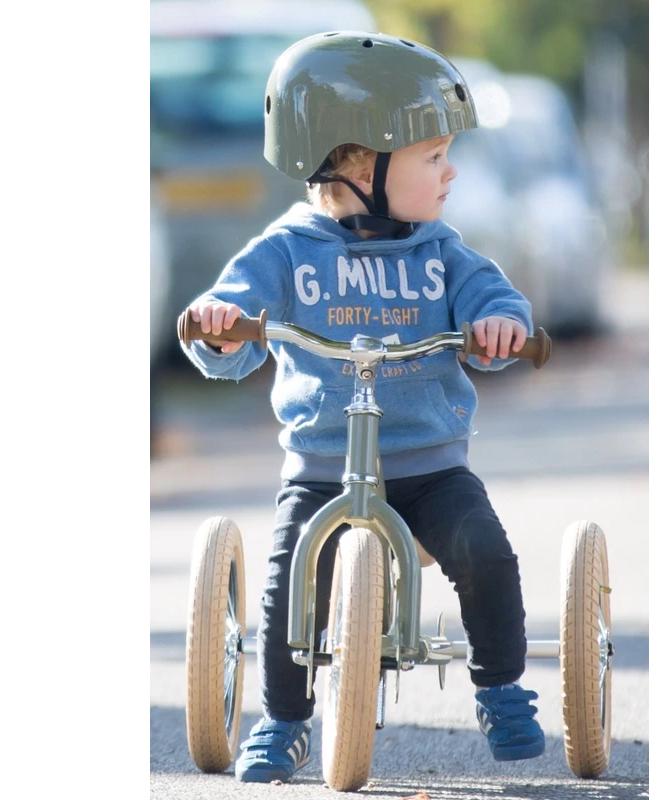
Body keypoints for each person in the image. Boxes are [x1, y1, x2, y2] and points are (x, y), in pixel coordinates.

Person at [181, 31, 545, 783]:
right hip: (320, 469)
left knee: (483, 548)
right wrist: (218, 326)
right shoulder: (285, 251)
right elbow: (233, 316)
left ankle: (503, 688)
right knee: (287, 585)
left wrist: (498, 325)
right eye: (432, 158)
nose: (449, 174)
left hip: (429, 466)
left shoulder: (439, 251)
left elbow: (491, 297)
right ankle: (285, 722)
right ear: (357, 164)